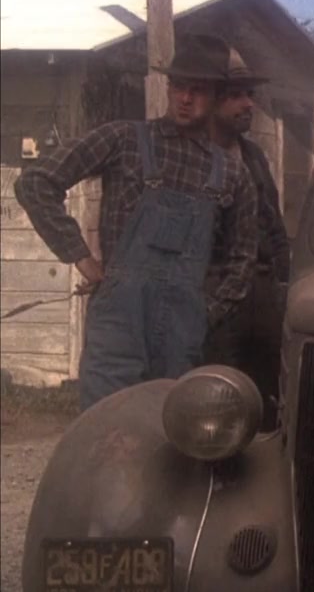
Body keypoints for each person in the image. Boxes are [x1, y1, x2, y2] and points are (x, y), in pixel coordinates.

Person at [14, 34, 259, 410]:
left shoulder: (232, 173)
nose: (185, 98)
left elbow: (242, 261)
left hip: (182, 335)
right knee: (105, 427)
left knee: (169, 433)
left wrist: (205, 314)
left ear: (216, 96)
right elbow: (36, 182)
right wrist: (80, 256)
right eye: (178, 86)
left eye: (197, 90)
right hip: (118, 327)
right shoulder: (124, 139)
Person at [203, 49, 290, 429]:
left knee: (270, 395)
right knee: (219, 398)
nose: (248, 104)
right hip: (218, 292)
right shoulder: (194, 158)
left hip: (264, 293)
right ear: (212, 100)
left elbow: (274, 224)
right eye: (236, 95)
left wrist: (284, 285)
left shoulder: (253, 155)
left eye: (249, 94)